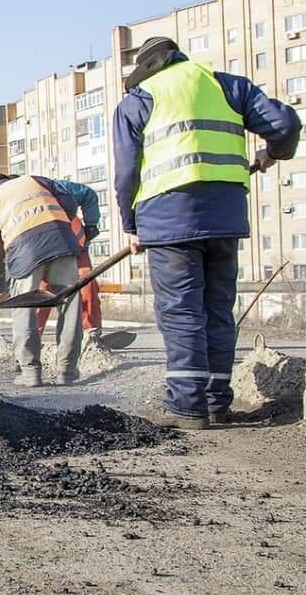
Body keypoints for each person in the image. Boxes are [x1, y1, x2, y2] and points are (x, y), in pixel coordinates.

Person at [113, 36, 300, 429]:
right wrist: (272, 153)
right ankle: (216, 402)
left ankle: (187, 407)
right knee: (217, 311)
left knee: (181, 312)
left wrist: (131, 226)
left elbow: (127, 173)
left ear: (146, 69)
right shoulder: (228, 86)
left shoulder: (139, 100)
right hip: (225, 218)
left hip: (168, 220)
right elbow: (285, 124)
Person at [0, 173, 84, 387]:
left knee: (24, 308)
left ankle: (30, 372)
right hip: (62, 242)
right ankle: (67, 371)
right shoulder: (35, 180)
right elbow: (69, 201)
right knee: (70, 306)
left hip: (25, 252)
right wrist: (59, 225)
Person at [34, 178, 103, 339]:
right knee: (42, 291)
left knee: (87, 282)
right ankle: (32, 338)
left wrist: (91, 225)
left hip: (76, 245)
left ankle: (91, 332)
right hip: (45, 251)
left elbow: (88, 195)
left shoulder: (59, 188)